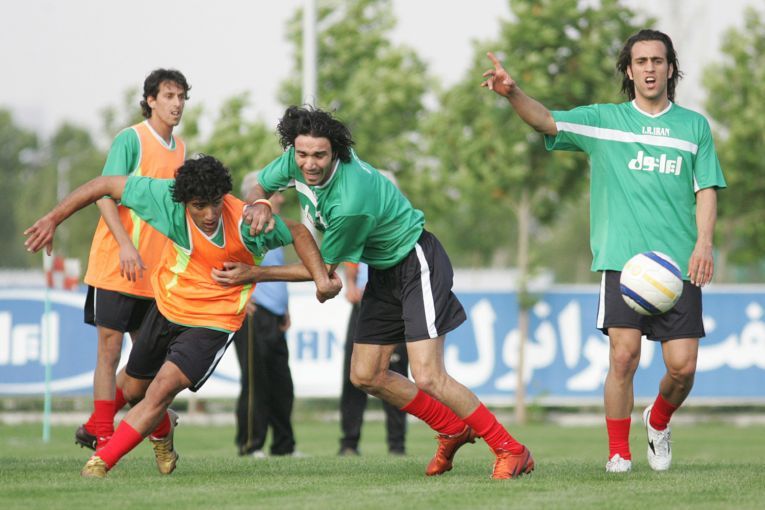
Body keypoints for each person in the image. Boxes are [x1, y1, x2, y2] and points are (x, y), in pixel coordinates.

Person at [213, 106, 534, 480]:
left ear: (336, 152)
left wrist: (254, 274)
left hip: (415, 261)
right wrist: (260, 202)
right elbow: (260, 186)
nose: (309, 164)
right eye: (302, 154)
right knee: (366, 375)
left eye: (319, 155)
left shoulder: (350, 201)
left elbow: (322, 270)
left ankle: (511, 449)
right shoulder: (294, 159)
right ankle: (450, 427)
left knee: (428, 376)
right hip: (383, 270)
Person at [482, 29, 726, 473]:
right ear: (629, 71)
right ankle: (618, 452)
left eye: (657, 61)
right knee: (623, 356)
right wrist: (513, 92)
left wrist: (704, 244)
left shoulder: (694, 127)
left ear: (670, 69)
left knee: (683, 368)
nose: (649, 69)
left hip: (677, 266)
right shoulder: (604, 121)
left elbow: (706, 189)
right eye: (641, 62)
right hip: (623, 264)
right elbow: (546, 120)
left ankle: (658, 420)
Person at [24, 155, 342, 478]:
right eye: (199, 206)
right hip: (167, 307)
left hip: (213, 321)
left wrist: (278, 275)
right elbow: (103, 184)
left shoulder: (247, 223)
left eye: (215, 203)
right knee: (134, 390)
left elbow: (299, 232)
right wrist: (52, 219)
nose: (210, 214)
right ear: (183, 201)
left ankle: (100, 464)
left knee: (161, 389)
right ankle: (162, 433)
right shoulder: (165, 200)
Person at [76, 69, 190, 453]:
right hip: (116, 266)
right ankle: (104, 435)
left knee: (147, 364)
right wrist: (125, 244)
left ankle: (154, 423)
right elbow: (103, 193)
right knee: (109, 354)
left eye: (181, 97)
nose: (177, 104)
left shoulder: (181, 149)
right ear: (151, 100)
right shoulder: (131, 139)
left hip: (154, 275)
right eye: (169, 96)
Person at [233, 172, 298, 458]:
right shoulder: (242, 225)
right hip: (253, 313)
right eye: (276, 193)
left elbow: (276, 272)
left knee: (282, 383)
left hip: (275, 316)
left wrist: (285, 308)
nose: (280, 198)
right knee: (255, 382)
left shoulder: (275, 226)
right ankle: (251, 444)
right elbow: (223, 261)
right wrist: (240, 298)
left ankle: (284, 446)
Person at [339, 261, 408, 456]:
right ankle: (349, 444)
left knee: (395, 377)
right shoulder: (360, 240)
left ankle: (397, 446)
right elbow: (352, 259)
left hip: (393, 305)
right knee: (353, 375)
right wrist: (351, 286)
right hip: (363, 305)